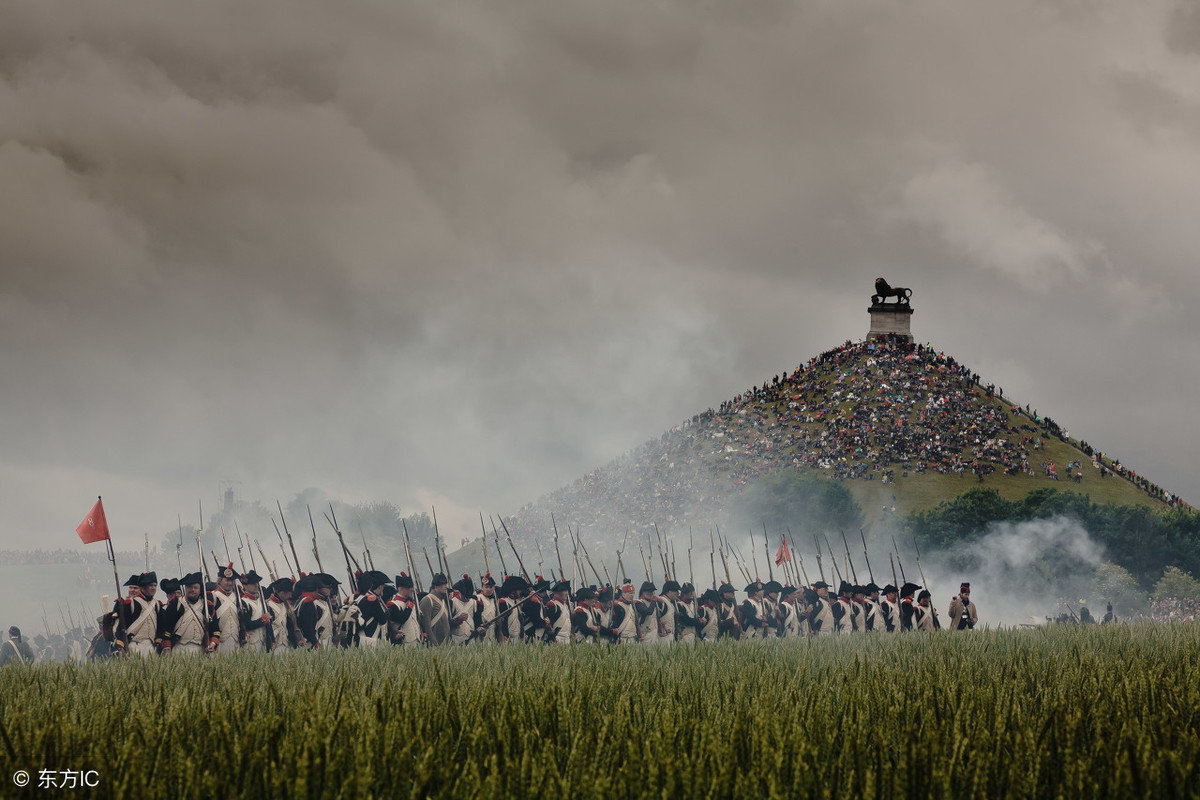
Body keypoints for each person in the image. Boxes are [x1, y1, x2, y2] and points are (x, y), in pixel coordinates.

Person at [158, 572, 214, 656]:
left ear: (200, 589)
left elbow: (214, 629)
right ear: (185, 588)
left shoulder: (207, 606)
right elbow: (167, 628)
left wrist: (212, 644)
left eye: (195, 587)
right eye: (189, 587)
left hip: (200, 649)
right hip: (179, 648)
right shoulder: (175, 604)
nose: (192, 590)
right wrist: (167, 647)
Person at [208, 564, 243, 653]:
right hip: (218, 641)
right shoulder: (213, 596)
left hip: (235, 640)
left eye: (231, 580)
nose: (230, 583)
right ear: (220, 581)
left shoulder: (237, 597)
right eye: (227, 580)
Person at [238, 570, 272, 652]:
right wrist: (262, 620)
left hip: (264, 642)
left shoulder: (262, 602)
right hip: (250, 643)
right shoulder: (243, 602)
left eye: (257, 583)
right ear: (245, 586)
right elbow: (246, 625)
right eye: (252, 583)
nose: (256, 585)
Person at [388, 573, 423, 647]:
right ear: (401, 589)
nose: (411, 589)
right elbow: (401, 619)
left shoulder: (411, 602)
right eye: (408, 587)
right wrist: (409, 607)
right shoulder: (393, 604)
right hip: (404, 642)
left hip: (416, 640)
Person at [420, 573, 452, 646]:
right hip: (435, 645)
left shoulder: (443, 600)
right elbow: (426, 625)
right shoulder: (427, 600)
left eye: (445, 584)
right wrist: (433, 643)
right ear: (436, 586)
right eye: (443, 584)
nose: (445, 586)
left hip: (445, 644)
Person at [448, 575, 476, 645]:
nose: (467, 599)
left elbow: (477, 620)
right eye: (465, 596)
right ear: (460, 592)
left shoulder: (475, 603)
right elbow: (448, 623)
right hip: (456, 638)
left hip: (471, 637)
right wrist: (458, 619)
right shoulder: (452, 602)